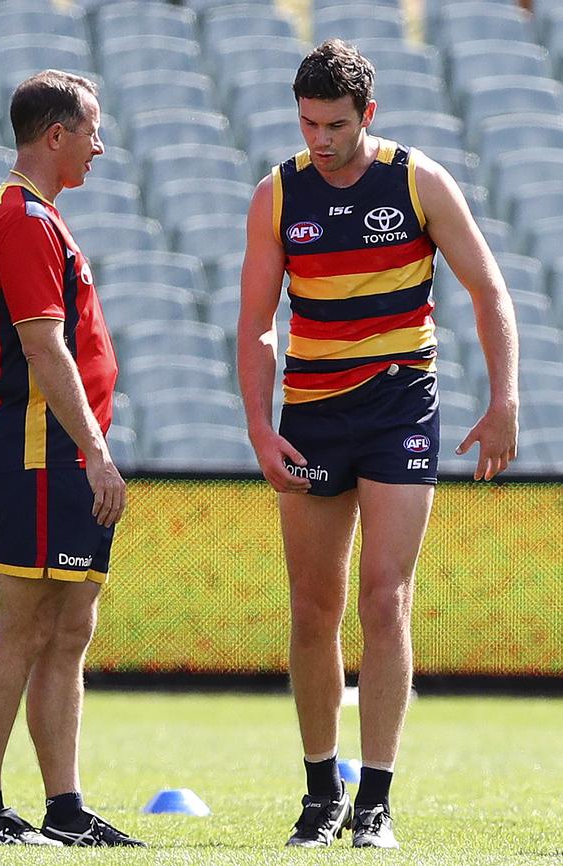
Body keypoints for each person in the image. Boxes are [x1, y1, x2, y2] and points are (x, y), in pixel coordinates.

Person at [237, 40, 518, 850]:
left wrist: (504, 401)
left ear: (370, 114)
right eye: (307, 123)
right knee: (314, 605)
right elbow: (258, 323)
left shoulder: (419, 181)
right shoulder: (277, 195)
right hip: (313, 415)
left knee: (386, 598)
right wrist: (260, 425)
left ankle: (378, 803)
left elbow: (488, 286)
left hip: (401, 408)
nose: (319, 139)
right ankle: (322, 791)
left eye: (334, 123)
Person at [0, 70, 145, 848]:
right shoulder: (25, 221)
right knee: (25, 628)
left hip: (61, 451)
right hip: (41, 449)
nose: (100, 146)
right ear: (56, 135)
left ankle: (63, 808)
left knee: (70, 628)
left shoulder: (41, 219)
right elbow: (43, 346)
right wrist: (97, 454)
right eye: (91, 131)